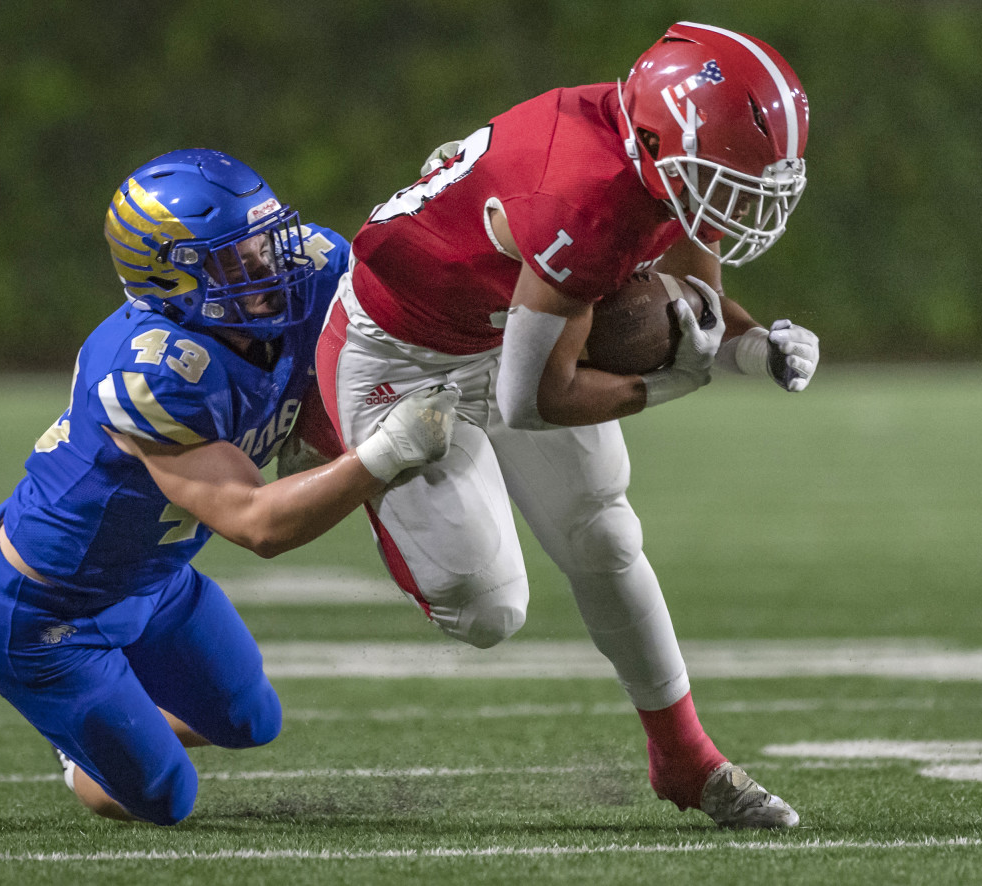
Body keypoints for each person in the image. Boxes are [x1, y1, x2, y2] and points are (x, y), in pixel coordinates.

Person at [315, 22, 820, 828]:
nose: (742, 198)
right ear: (658, 144)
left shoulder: (655, 160)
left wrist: (758, 349)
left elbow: (691, 293)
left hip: (510, 321)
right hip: (402, 357)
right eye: (728, 177)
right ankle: (346, 444)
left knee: (605, 536)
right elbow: (531, 401)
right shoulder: (584, 195)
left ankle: (687, 760)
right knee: (486, 607)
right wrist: (670, 387)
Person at [0, 149, 458, 825]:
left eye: (264, 245)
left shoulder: (308, 273)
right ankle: (81, 750)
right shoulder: (152, 373)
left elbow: (405, 295)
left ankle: (113, 723)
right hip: (42, 607)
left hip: (154, 580)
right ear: (169, 279)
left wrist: (445, 202)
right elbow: (258, 525)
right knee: (164, 799)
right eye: (235, 262)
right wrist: (389, 450)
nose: (269, 270)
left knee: (251, 722)